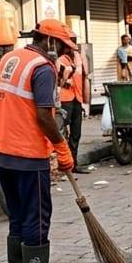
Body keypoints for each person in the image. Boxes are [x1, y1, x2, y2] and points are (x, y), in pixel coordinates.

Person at [0, 19, 78, 263]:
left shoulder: (10, 58)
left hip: (1, 148)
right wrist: (62, 146)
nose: (63, 52)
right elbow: (44, 116)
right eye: (62, 46)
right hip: (26, 151)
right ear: (49, 40)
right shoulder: (42, 68)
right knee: (37, 213)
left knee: (17, 212)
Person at [56, 36, 89, 170]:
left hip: (77, 98)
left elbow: (85, 75)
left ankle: (73, 163)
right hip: (65, 98)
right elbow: (58, 80)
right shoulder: (60, 60)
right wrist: (66, 82)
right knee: (62, 129)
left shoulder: (79, 57)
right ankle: (63, 162)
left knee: (76, 132)